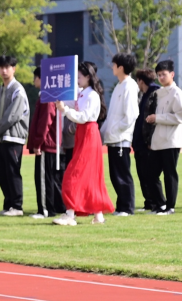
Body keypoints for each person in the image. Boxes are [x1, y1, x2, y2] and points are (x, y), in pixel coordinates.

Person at [53, 62, 113, 226]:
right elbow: (70, 103)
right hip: (83, 134)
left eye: (79, 77)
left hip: (89, 134)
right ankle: (98, 215)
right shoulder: (82, 93)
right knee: (90, 175)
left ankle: (70, 214)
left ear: (88, 77)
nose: (77, 80)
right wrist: (57, 99)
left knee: (73, 174)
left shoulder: (92, 95)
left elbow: (84, 116)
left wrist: (65, 110)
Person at [145, 59, 182, 216]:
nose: (161, 78)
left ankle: (170, 207)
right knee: (151, 173)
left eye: (164, 74)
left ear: (172, 74)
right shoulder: (158, 93)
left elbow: (181, 116)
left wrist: (157, 118)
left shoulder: (177, 93)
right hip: (159, 139)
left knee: (170, 174)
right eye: (159, 75)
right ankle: (160, 204)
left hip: (172, 139)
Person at [0, 55, 28, 216]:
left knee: (12, 172)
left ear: (14, 69)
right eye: (1, 67)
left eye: (7, 67)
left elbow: (12, 116)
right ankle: (8, 204)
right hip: (1, 139)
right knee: (2, 173)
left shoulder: (18, 90)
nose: (4, 70)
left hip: (13, 137)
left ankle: (17, 206)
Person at [101, 53, 139, 217]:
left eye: (114, 64)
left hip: (121, 138)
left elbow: (131, 115)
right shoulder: (119, 85)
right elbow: (112, 115)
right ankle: (121, 206)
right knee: (115, 175)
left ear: (121, 67)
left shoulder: (129, 85)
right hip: (113, 138)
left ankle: (127, 207)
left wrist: (116, 130)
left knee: (122, 174)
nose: (112, 67)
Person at [26, 67, 60, 219]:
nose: (34, 81)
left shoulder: (47, 97)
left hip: (46, 144)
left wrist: (38, 142)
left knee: (43, 178)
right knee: (46, 178)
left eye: (36, 77)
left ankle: (45, 210)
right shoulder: (47, 96)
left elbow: (45, 122)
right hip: (48, 143)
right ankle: (47, 208)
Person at [132, 69, 162, 212]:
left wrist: (150, 140)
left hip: (147, 142)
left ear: (141, 81)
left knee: (149, 174)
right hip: (140, 142)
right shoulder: (145, 95)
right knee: (142, 174)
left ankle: (156, 203)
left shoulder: (155, 93)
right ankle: (149, 203)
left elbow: (153, 120)